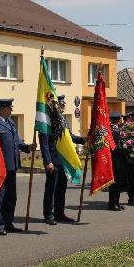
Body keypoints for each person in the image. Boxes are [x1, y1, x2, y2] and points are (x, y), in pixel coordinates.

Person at [0, 99, 36, 235]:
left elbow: (17, 142)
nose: (11, 110)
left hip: (12, 165)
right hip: (0, 166)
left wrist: (27, 147)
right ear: (3, 109)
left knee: (11, 197)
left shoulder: (10, 122)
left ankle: (8, 222)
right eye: (10, 108)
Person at [40, 95, 86, 225]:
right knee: (51, 188)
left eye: (63, 104)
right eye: (61, 104)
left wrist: (84, 140)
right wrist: (47, 160)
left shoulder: (63, 120)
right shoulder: (46, 121)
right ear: (55, 106)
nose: (63, 106)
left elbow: (69, 137)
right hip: (52, 160)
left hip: (63, 159)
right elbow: (43, 143)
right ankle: (49, 214)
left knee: (61, 188)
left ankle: (60, 213)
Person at [108, 111, 127, 211]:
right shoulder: (113, 130)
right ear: (118, 119)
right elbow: (115, 147)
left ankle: (116, 202)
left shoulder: (115, 129)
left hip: (118, 159)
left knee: (118, 182)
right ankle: (112, 203)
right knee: (115, 183)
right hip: (116, 159)